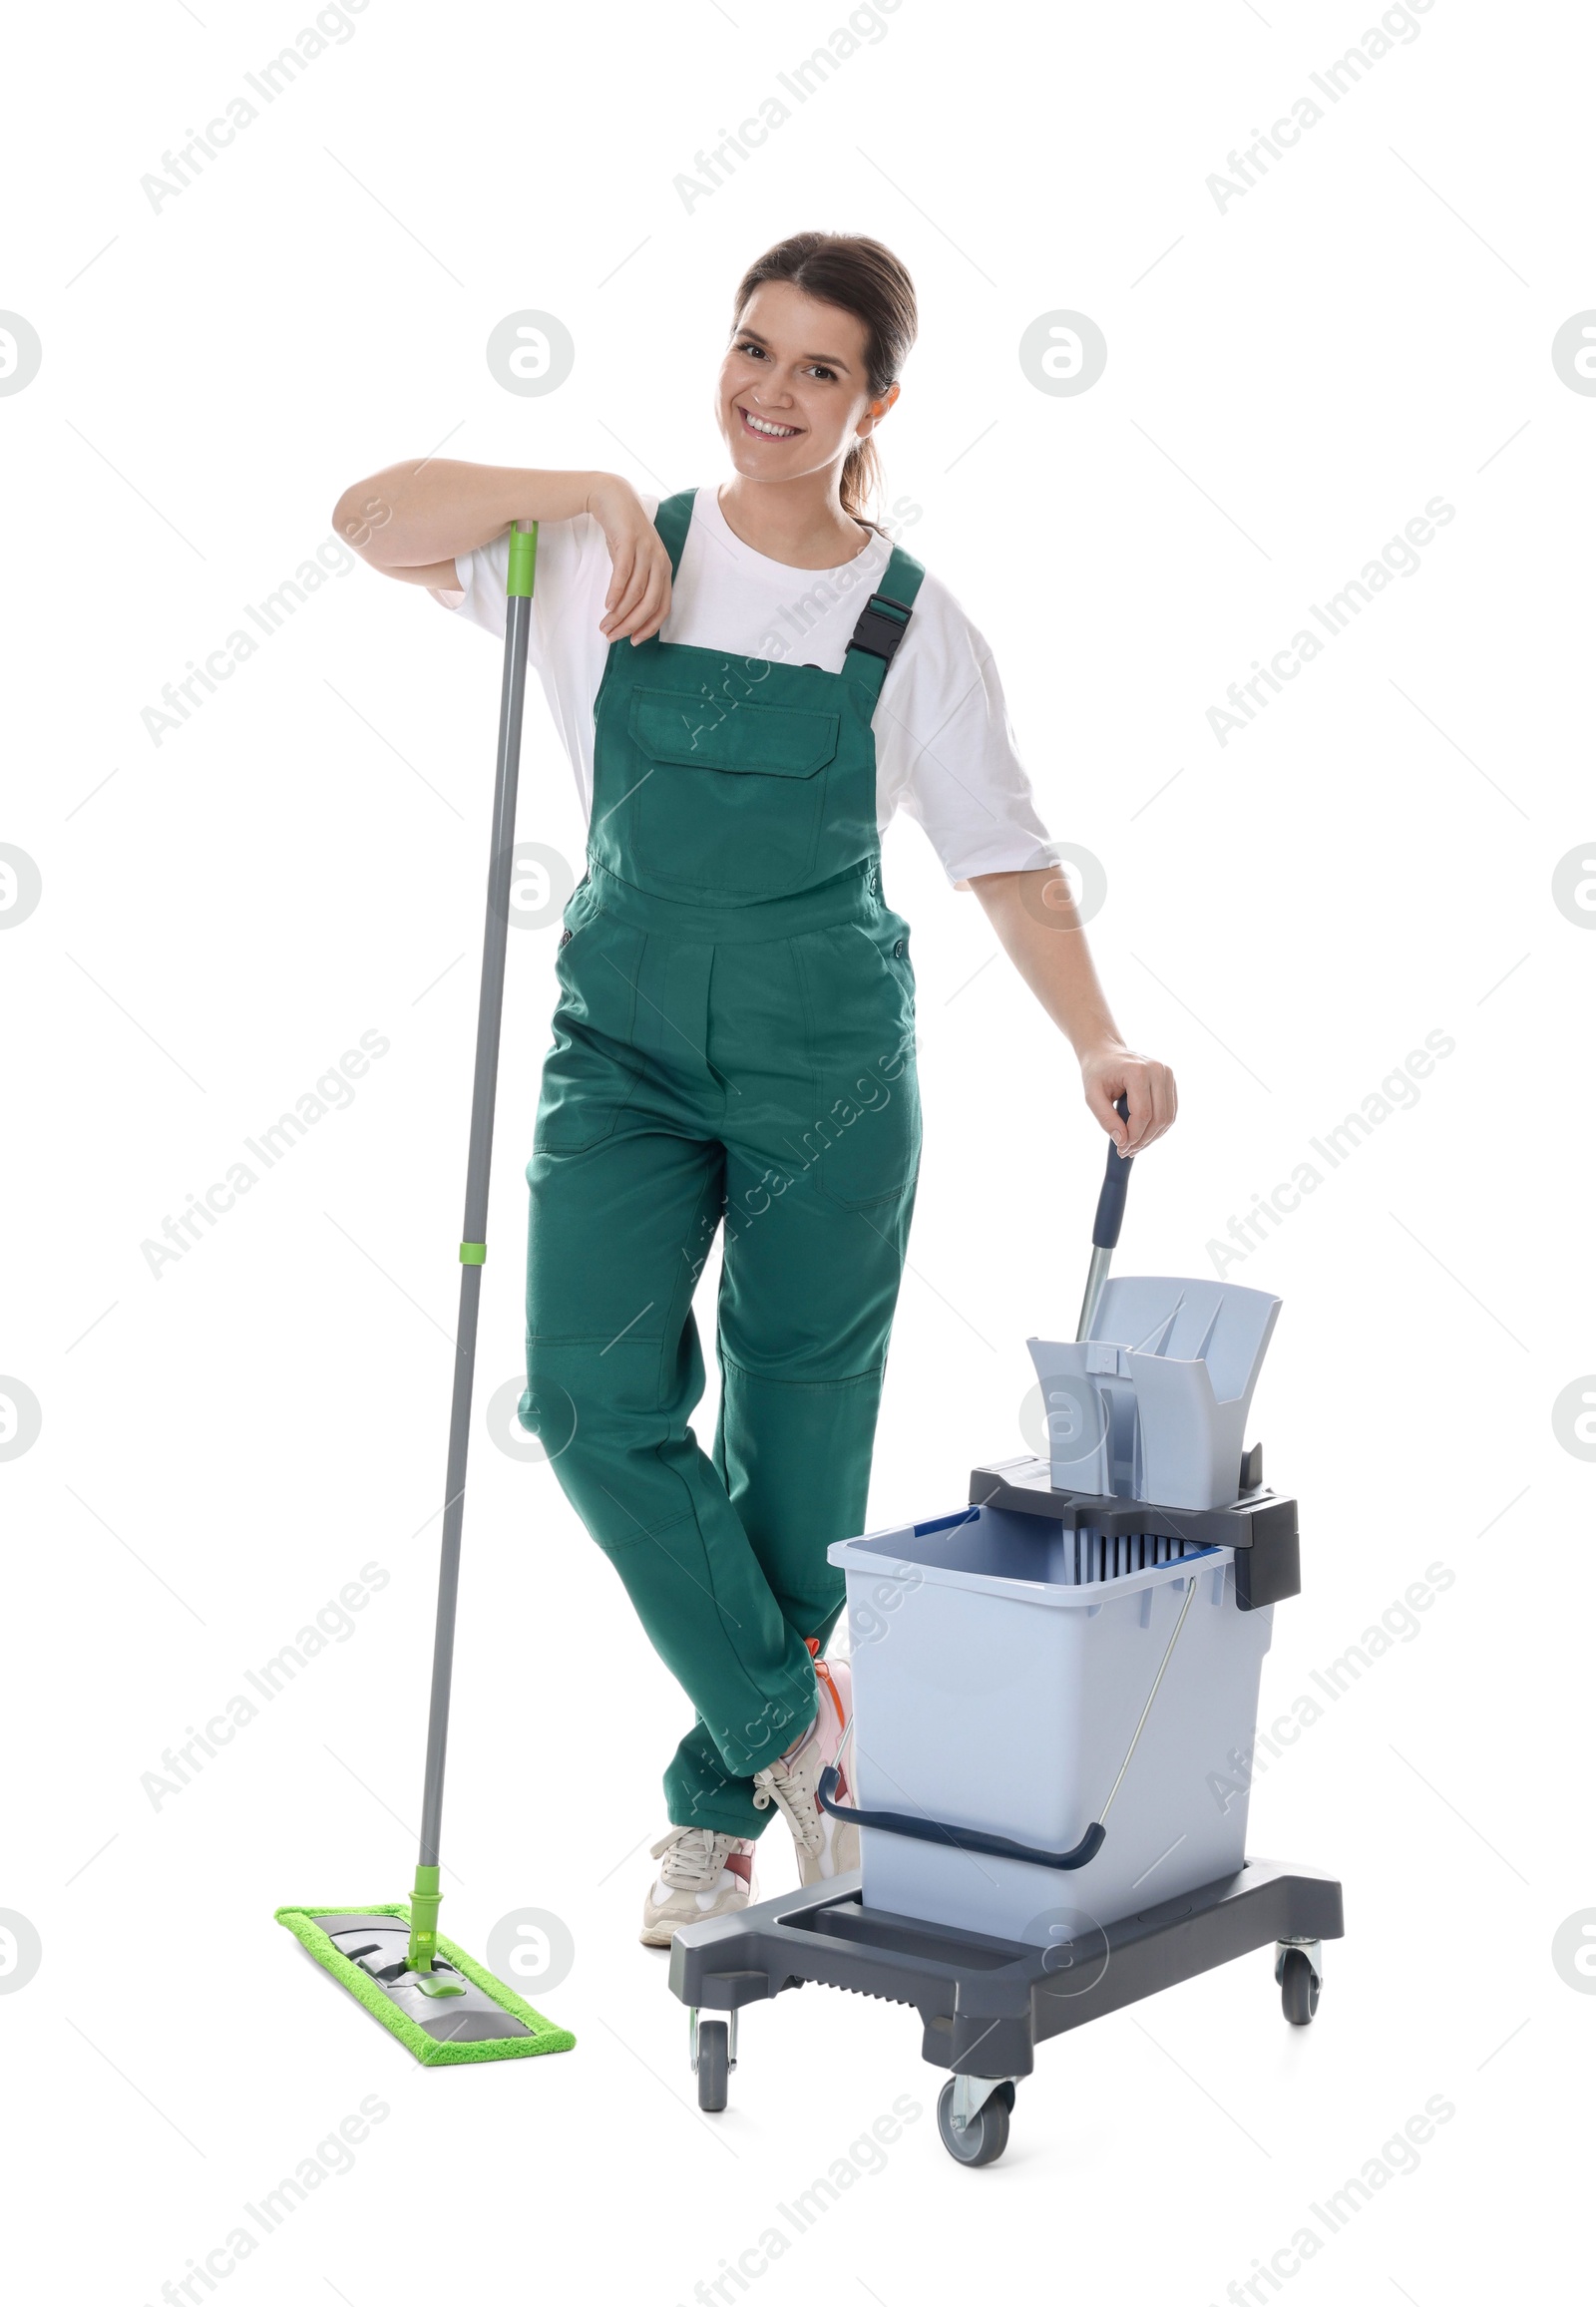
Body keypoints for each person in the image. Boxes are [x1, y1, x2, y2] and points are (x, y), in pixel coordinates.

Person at [334, 230, 1176, 1948]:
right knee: (585, 1396)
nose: (770, 393)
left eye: (817, 370)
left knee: (797, 1443)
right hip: (623, 1054)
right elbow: (369, 518)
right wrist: (575, 480)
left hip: (830, 1073)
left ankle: (711, 1827)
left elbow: (1007, 863)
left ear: (874, 404)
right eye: (752, 349)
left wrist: (1094, 1035)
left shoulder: (912, 623)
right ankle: (802, 1732)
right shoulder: (600, 548)